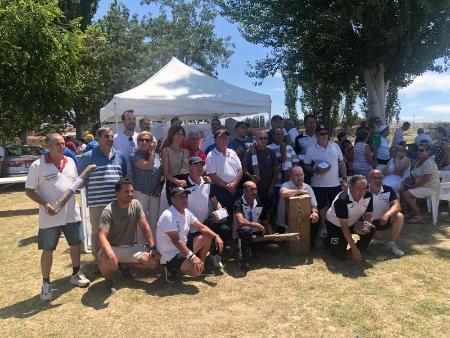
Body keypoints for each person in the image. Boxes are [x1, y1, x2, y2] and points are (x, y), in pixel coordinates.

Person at [25, 133, 90, 301]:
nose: (63, 147)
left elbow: (75, 183)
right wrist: (46, 205)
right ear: (47, 146)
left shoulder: (70, 162)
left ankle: (76, 274)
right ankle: (46, 283)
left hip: (70, 213)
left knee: (75, 244)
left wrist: (80, 183)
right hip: (50, 216)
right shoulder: (37, 165)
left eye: (63, 143)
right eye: (58, 144)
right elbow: (29, 190)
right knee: (48, 250)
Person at [97, 179, 160, 293]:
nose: (130, 194)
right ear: (117, 194)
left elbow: (145, 227)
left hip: (131, 247)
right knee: (102, 260)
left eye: (132, 191)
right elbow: (102, 236)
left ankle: (124, 264)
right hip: (113, 248)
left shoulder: (136, 204)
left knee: (154, 262)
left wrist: (153, 247)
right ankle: (108, 280)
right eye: (126, 192)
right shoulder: (108, 210)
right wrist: (110, 254)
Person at [157, 187, 224, 283]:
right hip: (170, 254)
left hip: (181, 249)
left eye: (185, 197)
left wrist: (216, 236)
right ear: (172, 199)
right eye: (180, 197)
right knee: (197, 271)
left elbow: (201, 227)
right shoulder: (168, 215)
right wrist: (192, 257)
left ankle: (200, 265)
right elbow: (176, 241)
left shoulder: (186, 211)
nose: (184, 200)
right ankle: (170, 269)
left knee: (207, 237)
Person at [79, 127, 127, 260]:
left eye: (111, 136)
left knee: (116, 231)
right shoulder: (88, 157)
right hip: (97, 202)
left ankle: (115, 259)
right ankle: (98, 260)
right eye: (106, 136)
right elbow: (80, 179)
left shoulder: (120, 155)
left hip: (116, 202)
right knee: (97, 232)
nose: (110, 139)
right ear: (98, 138)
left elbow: (123, 176)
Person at [186, 156, 229, 270]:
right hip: (190, 227)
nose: (200, 167)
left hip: (205, 223)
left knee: (225, 229)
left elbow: (215, 202)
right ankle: (197, 262)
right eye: (196, 165)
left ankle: (213, 255)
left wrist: (221, 213)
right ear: (189, 167)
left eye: (201, 165)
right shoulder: (183, 184)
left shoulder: (207, 183)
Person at [304, 124, 346, 237]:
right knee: (321, 207)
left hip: (335, 184)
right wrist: (315, 170)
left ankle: (334, 228)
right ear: (316, 136)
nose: (324, 136)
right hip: (318, 185)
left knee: (335, 206)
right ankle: (323, 228)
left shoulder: (335, 146)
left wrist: (344, 179)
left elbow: (341, 163)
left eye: (326, 133)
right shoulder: (311, 149)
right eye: (321, 134)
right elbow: (306, 165)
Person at [325, 175, 375, 262]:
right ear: (350, 187)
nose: (362, 192)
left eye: (364, 188)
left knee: (371, 229)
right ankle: (327, 240)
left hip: (353, 223)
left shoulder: (368, 195)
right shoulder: (342, 200)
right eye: (359, 188)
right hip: (336, 226)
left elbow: (368, 215)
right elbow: (344, 227)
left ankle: (359, 251)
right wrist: (354, 248)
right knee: (340, 256)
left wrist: (365, 228)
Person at [129, 131, 163, 238]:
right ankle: (141, 248)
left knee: (154, 222)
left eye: (147, 140)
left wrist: (159, 187)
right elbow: (148, 166)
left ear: (152, 142)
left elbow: (162, 174)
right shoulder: (133, 155)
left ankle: (153, 247)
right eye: (141, 140)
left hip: (154, 194)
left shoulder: (157, 156)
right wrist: (152, 151)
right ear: (137, 142)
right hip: (140, 193)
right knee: (141, 222)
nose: (144, 142)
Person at [206, 127, 243, 218]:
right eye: (222, 137)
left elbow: (240, 170)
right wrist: (227, 186)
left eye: (226, 137)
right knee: (224, 217)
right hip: (221, 191)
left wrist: (234, 184)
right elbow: (212, 175)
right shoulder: (211, 155)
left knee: (237, 214)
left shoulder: (232, 152)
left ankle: (236, 232)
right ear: (215, 140)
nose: (225, 140)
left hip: (235, 188)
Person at [242, 130, 278, 225]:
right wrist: (251, 176)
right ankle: (261, 233)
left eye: (265, 138)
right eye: (261, 138)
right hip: (254, 190)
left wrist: (271, 186)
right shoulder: (249, 152)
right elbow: (244, 169)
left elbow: (275, 171)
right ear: (256, 139)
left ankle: (271, 235)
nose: (263, 140)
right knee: (256, 214)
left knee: (271, 212)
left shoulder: (271, 152)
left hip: (268, 188)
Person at [277, 167, 319, 246]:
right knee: (284, 246)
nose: (299, 177)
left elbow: (314, 205)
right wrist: (300, 191)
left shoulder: (308, 187)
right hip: (285, 223)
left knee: (315, 219)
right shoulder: (286, 185)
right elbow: (283, 193)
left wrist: (315, 212)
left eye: (301, 175)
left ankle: (311, 245)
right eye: (296, 175)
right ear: (291, 176)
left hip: (303, 220)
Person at [368, 169, 405, 256]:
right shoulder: (363, 190)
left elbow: (397, 205)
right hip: (368, 221)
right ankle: (371, 240)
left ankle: (392, 243)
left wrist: (387, 214)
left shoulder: (388, 189)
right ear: (368, 179)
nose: (377, 180)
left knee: (399, 216)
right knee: (378, 240)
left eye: (380, 178)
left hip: (383, 220)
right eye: (374, 178)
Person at [233, 181, 269, 269]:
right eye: (251, 189)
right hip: (241, 233)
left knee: (274, 248)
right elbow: (240, 221)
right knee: (246, 232)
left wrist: (273, 235)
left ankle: (253, 253)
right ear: (244, 191)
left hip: (255, 233)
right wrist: (256, 225)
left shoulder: (259, 203)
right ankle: (242, 259)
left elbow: (265, 222)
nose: (254, 192)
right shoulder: (238, 203)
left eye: (255, 189)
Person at [401, 143, 439, 223]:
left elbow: (425, 179)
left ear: (428, 152)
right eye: (417, 150)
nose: (419, 152)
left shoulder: (429, 163)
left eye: (421, 150)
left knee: (406, 194)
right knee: (402, 188)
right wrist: (410, 180)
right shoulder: (419, 161)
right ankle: (413, 211)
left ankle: (419, 215)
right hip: (422, 186)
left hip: (430, 187)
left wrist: (413, 186)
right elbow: (416, 176)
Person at [267, 127, 299, 216]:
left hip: (289, 183)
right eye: (278, 134)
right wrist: (277, 160)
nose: (280, 136)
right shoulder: (268, 148)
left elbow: (295, 162)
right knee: (276, 208)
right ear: (273, 136)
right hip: (275, 184)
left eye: (282, 134)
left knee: (288, 208)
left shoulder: (289, 147)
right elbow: (267, 166)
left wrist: (292, 173)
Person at [161, 125, 190, 204]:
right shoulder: (166, 151)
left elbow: (190, 169)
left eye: (182, 134)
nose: (180, 136)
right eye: (178, 134)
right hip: (173, 184)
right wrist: (177, 182)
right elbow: (165, 173)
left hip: (186, 183)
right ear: (172, 134)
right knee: (175, 210)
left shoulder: (186, 151)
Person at [113, 110, 138, 179]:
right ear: (123, 121)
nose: (132, 121)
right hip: (122, 179)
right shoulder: (116, 138)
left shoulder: (140, 138)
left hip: (139, 179)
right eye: (129, 119)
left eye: (134, 119)